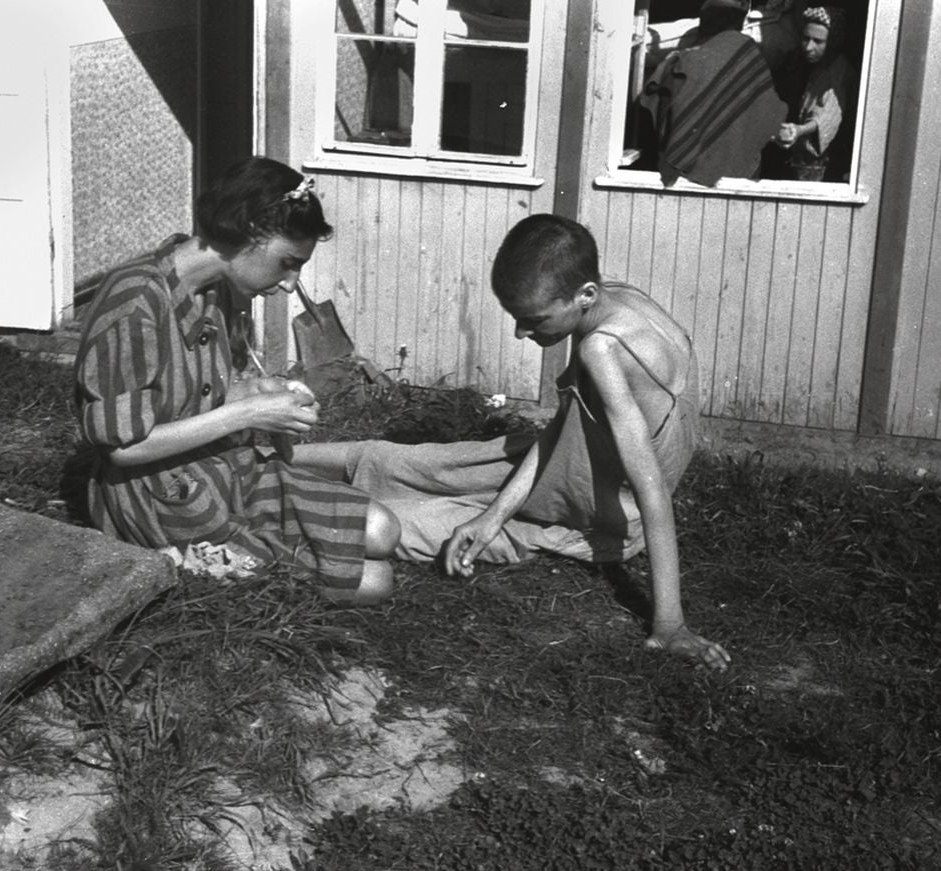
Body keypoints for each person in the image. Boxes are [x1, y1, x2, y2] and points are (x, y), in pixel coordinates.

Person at [297, 215, 731, 670]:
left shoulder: (602, 350)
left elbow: (653, 491)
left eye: (533, 320)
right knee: (392, 460)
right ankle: (251, 457)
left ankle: (249, 514)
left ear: (584, 295)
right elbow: (566, 426)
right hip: (566, 458)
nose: (522, 334)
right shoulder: (619, 297)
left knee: (403, 521)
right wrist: (491, 517)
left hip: (597, 516)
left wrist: (671, 625)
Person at [71, 156, 399, 605]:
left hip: (226, 468)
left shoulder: (217, 292)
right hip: (160, 494)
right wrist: (246, 412)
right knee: (375, 582)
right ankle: (193, 557)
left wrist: (255, 393)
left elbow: (192, 395)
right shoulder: (135, 303)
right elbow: (123, 448)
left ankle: (270, 546)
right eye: (287, 263)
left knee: (383, 529)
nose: (289, 284)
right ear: (248, 231)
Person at [639, 0, 788, 186]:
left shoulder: (677, 62)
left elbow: (650, 108)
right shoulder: (753, 61)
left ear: (703, 25)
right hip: (738, 178)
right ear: (740, 24)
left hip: (680, 173)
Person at [774, 6, 850, 181]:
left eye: (818, 41)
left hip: (823, 168)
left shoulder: (838, 70)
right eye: (805, 39)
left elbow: (826, 116)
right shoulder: (813, 67)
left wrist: (798, 130)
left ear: (833, 42)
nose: (808, 47)